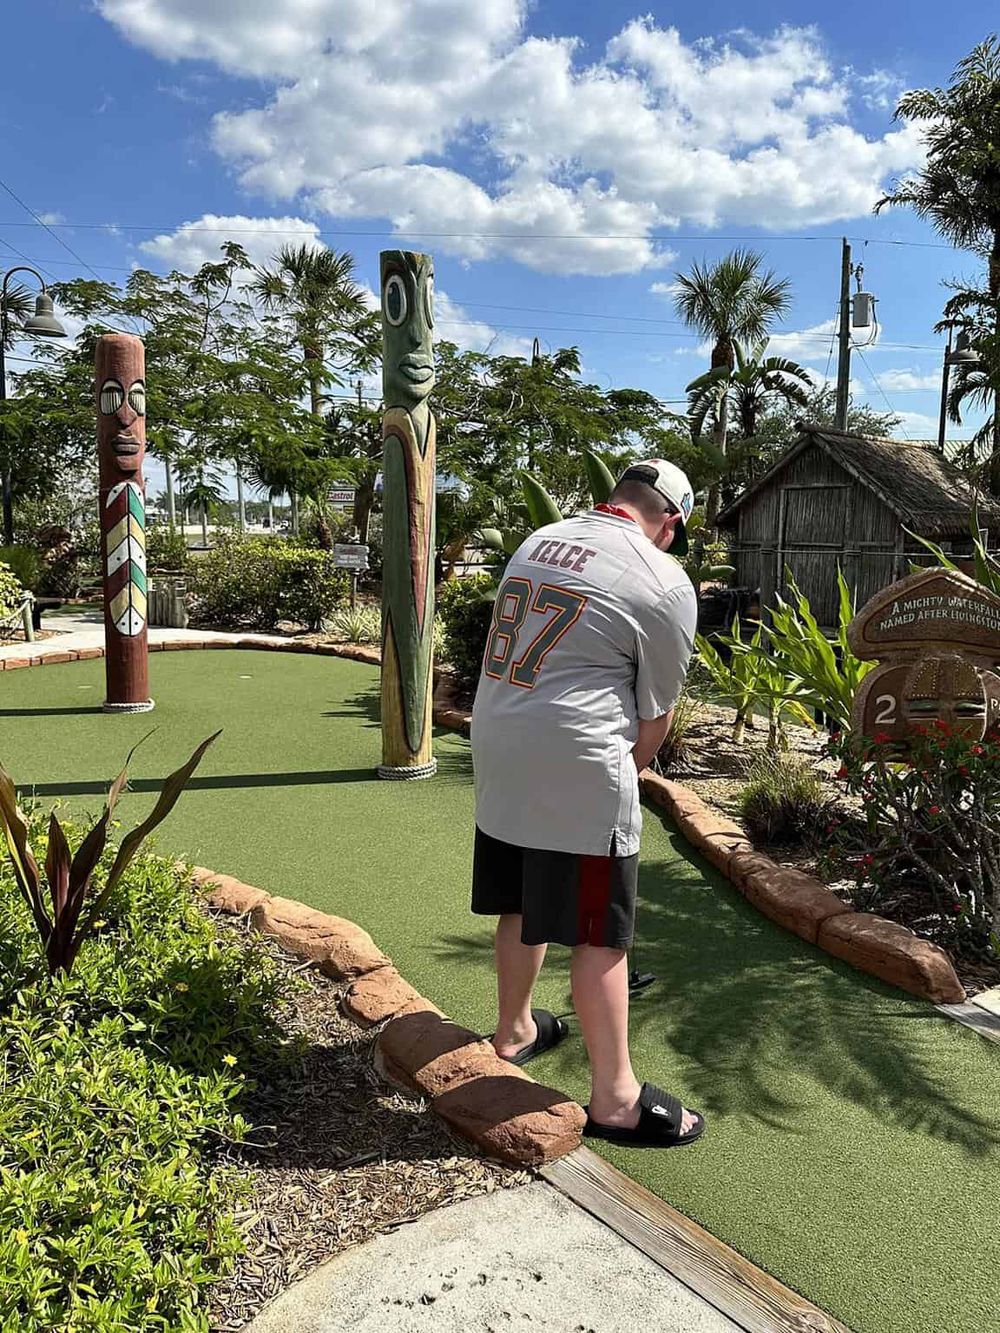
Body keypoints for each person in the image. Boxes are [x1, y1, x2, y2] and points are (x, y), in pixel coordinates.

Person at [470, 459, 705, 1148]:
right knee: (601, 931)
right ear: (672, 521)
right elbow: (654, 716)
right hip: (577, 759)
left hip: (497, 740)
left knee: (521, 901)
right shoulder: (665, 579)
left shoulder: (538, 539)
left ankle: (513, 1031)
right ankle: (617, 1099)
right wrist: (616, 783)